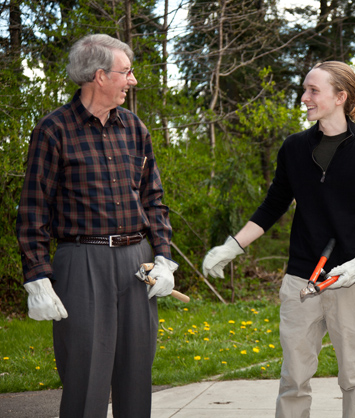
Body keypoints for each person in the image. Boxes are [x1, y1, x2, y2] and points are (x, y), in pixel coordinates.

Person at [202, 61, 355, 418]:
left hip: (350, 281)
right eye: (304, 89)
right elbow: (272, 206)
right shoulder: (293, 148)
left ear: (340, 97)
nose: (304, 98)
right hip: (300, 279)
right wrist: (233, 246)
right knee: (294, 378)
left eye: (313, 91)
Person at [16, 34, 177, 418]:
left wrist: (164, 257)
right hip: (81, 262)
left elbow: (153, 199)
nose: (132, 80)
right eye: (126, 72)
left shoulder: (136, 129)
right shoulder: (53, 130)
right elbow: (33, 210)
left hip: (139, 265)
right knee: (86, 378)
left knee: (137, 375)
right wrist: (37, 277)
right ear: (100, 75)